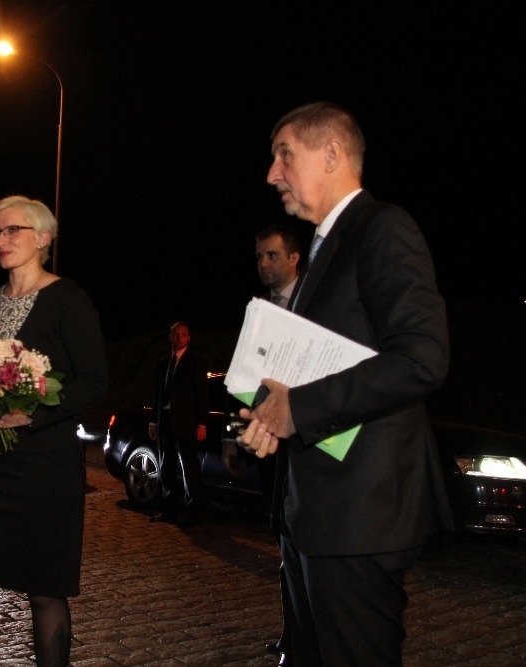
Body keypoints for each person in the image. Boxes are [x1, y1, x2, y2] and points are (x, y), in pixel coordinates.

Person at [238, 102, 452, 665]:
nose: (272, 173)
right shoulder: (321, 248)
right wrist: (271, 415)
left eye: (285, 154)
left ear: (331, 154)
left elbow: (422, 357)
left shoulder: (383, 228)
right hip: (314, 517)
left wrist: (300, 409)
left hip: (362, 515)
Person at [0, 195, 108, 667]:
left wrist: (32, 414)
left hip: (44, 468)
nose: (2, 240)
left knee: (45, 593)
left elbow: (94, 380)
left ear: (44, 239)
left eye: (14, 230)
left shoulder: (67, 298)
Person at [226, 223, 303, 666]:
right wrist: (232, 439)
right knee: (282, 537)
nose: (264, 264)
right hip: (269, 445)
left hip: (307, 441)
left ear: (294, 259)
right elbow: (241, 381)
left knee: (305, 538)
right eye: (259, 257)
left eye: (272, 255)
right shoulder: (256, 312)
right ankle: (292, 634)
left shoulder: (315, 305)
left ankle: (308, 636)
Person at [146, 321, 208, 526]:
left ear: (188, 338)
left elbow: (201, 394)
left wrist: (202, 423)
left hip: (186, 422)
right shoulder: (163, 363)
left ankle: (194, 513)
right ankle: (170, 510)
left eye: (183, 335)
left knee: (189, 468)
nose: (179, 338)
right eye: (176, 335)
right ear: (170, 337)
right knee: (166, 466)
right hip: (165, 421)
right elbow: (157, 394)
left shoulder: (195, 362)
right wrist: (153, 421)